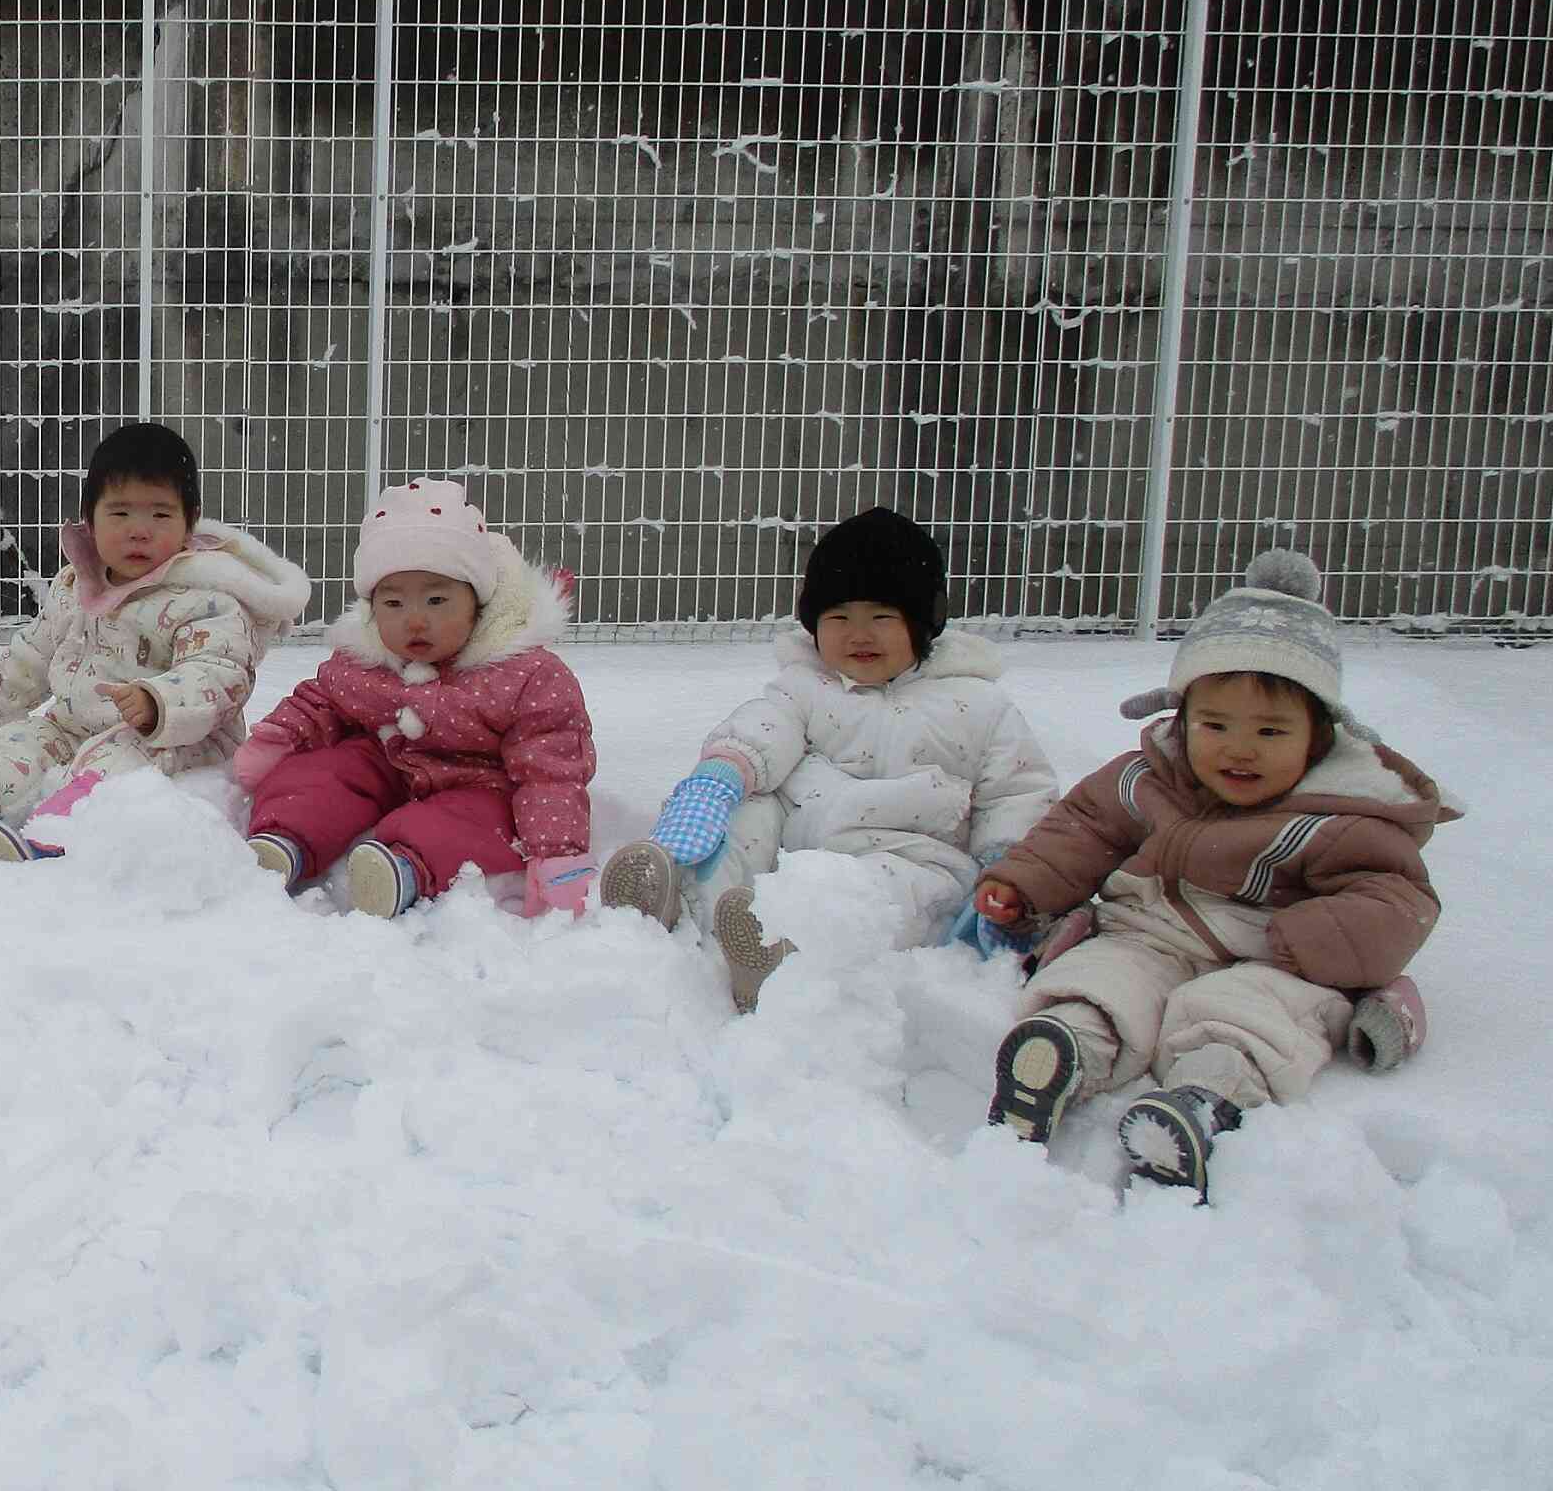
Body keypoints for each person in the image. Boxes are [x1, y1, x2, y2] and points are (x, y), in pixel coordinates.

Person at [977, 551, 1457, 1199]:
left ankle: (1203, 1099)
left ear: (1317, 737)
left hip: (1269, 956)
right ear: (1181, 718)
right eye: (1215, 724)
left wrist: (1311, 937)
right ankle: (1064, 1050)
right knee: (1104, 978)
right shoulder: (1148, 776)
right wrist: (1025, 881)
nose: (1239, 747)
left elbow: (1397, 898)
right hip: (1151, 932)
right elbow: (1084, 828)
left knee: (1243, 1019)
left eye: (1270, 730)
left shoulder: (1340, 816)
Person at [600, 507, 1055, 1011]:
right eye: (838, 618)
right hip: (801, 837)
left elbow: (1017, 790)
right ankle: (678, 904)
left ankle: (782, 952)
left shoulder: (977, 704)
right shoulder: (807, 685)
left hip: (910, 856)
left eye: (881, 617)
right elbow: (766, 723)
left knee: (870, 896)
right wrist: (721, 776)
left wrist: (1008, 867)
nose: (859, 634)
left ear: (924, 623)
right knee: (748, 813)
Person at [0, 423, 310, 861]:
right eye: (121, 513)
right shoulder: (77, 585)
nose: (139, 531)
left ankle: (59, 831)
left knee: (115, 761)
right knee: (23, 739)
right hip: (73, 724)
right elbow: (35, 653)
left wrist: (156, 702)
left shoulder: (206, 599)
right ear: (90, 520)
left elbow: (220, 673)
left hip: (171, 736)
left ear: (190, 521)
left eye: (161, 514)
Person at [233, 479, 595, 919]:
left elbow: (550, 772)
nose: (415, 621)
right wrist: (282, 735)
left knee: (472, 823)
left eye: (437, 599)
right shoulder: (367, 658)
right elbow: (324, 699)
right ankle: (285, 838)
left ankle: (403, 867)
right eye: (394, 603)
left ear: (477, 603)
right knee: (332, 769)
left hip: (479, 782)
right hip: (390, 759)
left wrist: (557, 855)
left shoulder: (524, 674)